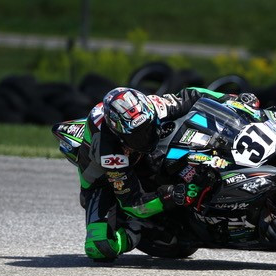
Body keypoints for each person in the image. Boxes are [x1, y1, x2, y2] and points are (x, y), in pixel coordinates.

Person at [73, 86, 259, 263]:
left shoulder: (151, 106)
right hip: (103, 181)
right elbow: (131, 202)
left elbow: (192, 95)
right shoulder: (111, 153)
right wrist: (170, 196)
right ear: (120, 136)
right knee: (101, 246)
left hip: (140, 156)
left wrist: (230, 99)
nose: (146, 137)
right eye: (137, 136)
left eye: (147, 128)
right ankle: (136, 228)